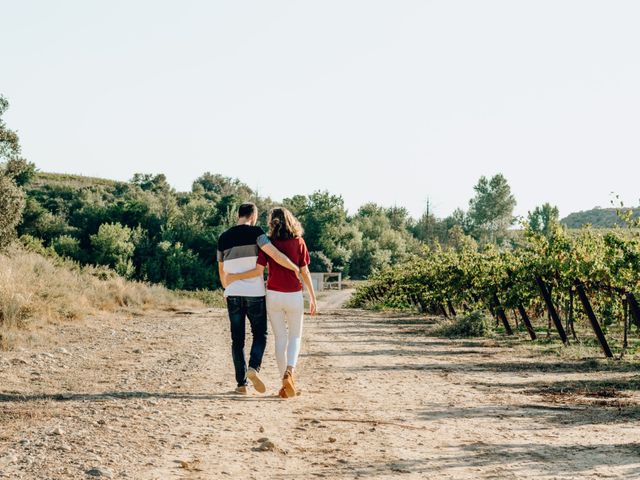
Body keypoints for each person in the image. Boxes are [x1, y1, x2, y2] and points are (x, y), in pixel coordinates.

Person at [226, 207, 317, 399]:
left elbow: (260, 268)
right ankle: (289, 374)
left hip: (273, 295)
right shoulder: (299, 242)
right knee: (295, 337)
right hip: (293, 295)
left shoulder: (268, 243)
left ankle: (283, 385)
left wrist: (232, 278)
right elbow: (305, 272)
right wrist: (312, 296)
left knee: (280, 339)